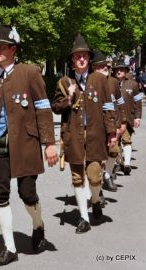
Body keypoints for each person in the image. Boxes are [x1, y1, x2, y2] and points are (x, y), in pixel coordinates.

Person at [0, 24, 58, 266]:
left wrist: (49, 144)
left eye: (1, 47)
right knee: (0, 195)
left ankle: (38, 225)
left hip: (26, 144)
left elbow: (43, 109)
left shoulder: (30, 72)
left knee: (27, 193)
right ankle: (9, 248)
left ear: (13, 49)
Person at [52, 34, 117, 234]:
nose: (81, 59)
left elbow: (108, 106)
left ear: (88, 59)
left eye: (84, 56)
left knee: (95, 176)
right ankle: (83, 217)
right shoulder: (64, 82)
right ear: (72, 60)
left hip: (96, 135)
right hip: (73, 136)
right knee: (78, 178)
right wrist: (70, 96)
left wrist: (112, 132)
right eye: (77, 56)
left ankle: (95, 199)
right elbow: (55, 107)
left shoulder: (100, 79)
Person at [90, 50, 127, 193]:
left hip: (113, 122)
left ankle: (107, 175)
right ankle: (96, 191)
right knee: (96, 159)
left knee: (113, 152)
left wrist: (123, 122)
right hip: (96, 125)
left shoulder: (113, 82)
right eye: (100, 66)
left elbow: (120, 103)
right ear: (93, 68)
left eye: (105, 65)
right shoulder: (89, 81)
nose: (104, 67)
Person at [112, 59, 143, 175]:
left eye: (121, 69)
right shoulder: (109, 83)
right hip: (113, 118)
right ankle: (118, 162)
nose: (119, 71)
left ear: (125, 71)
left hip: (128, 118)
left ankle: (127, 164)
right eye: (117, 69)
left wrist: (137, 117)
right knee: (115, 142)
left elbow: (138, 102)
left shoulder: (133, 84)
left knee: (126, 140)